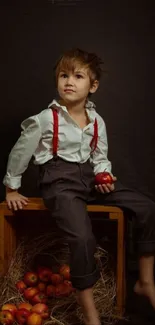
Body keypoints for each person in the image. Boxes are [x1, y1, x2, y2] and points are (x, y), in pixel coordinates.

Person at [3, 48, 155, 325]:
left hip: (89, 180)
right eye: (64, 75)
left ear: (93, 85)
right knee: (83, 238)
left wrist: (103, 175)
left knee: (146, 206)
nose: (69, 81)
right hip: (58, 182)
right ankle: (90, 314)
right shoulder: (47, 118)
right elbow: (20, 151)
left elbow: (100, 157)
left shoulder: (97, 121)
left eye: (78, 76)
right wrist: (12, 187)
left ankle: (145, 282)